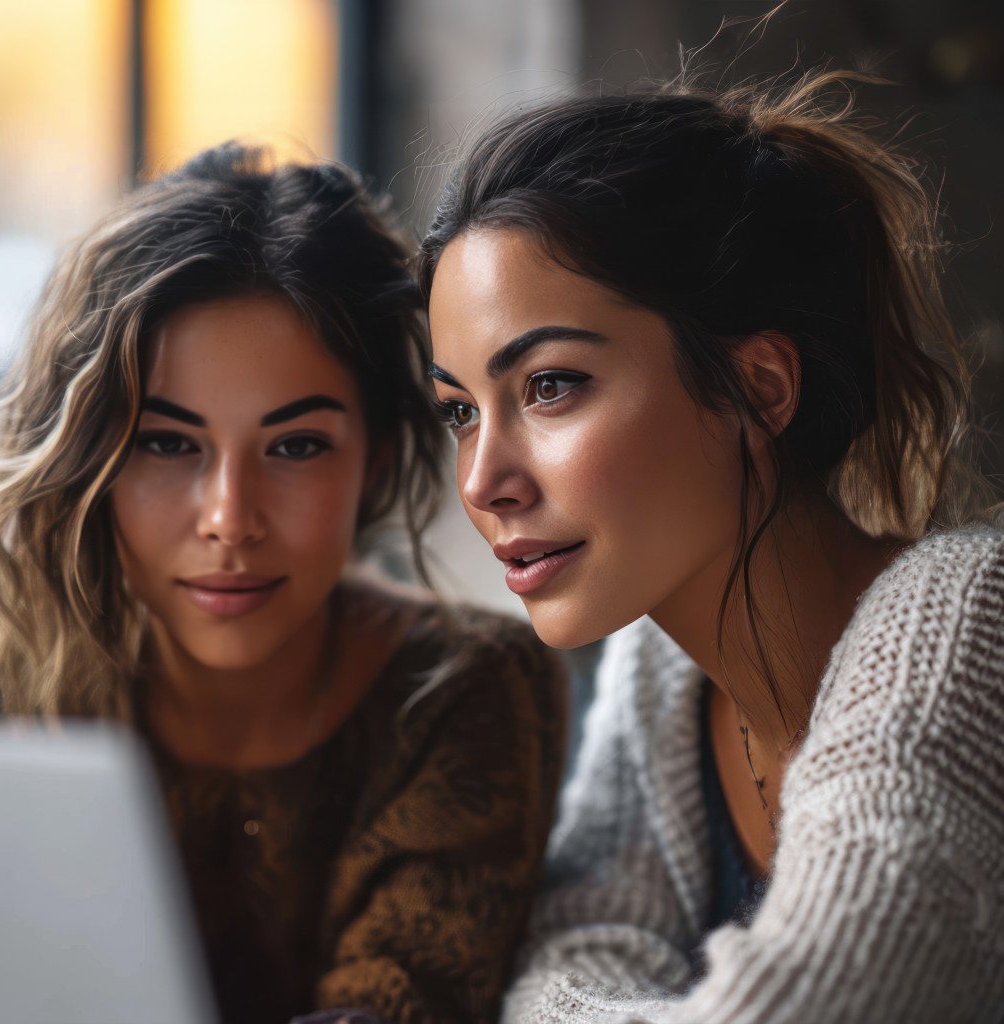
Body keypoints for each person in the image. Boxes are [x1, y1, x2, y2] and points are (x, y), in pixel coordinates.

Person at [0, 144, 568, 1024]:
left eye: (295, 446)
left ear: (377, 462)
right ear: (93, 456)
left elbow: (401, 1004)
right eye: (168, 443)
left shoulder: (464, 687)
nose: (229, 518)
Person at [416, 69, 1004, 1023]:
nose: (484, 482)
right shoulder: (662, 670)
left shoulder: (968, 629)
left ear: (759, 388)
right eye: (459, 412)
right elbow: (565, 958)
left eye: (551, 386)